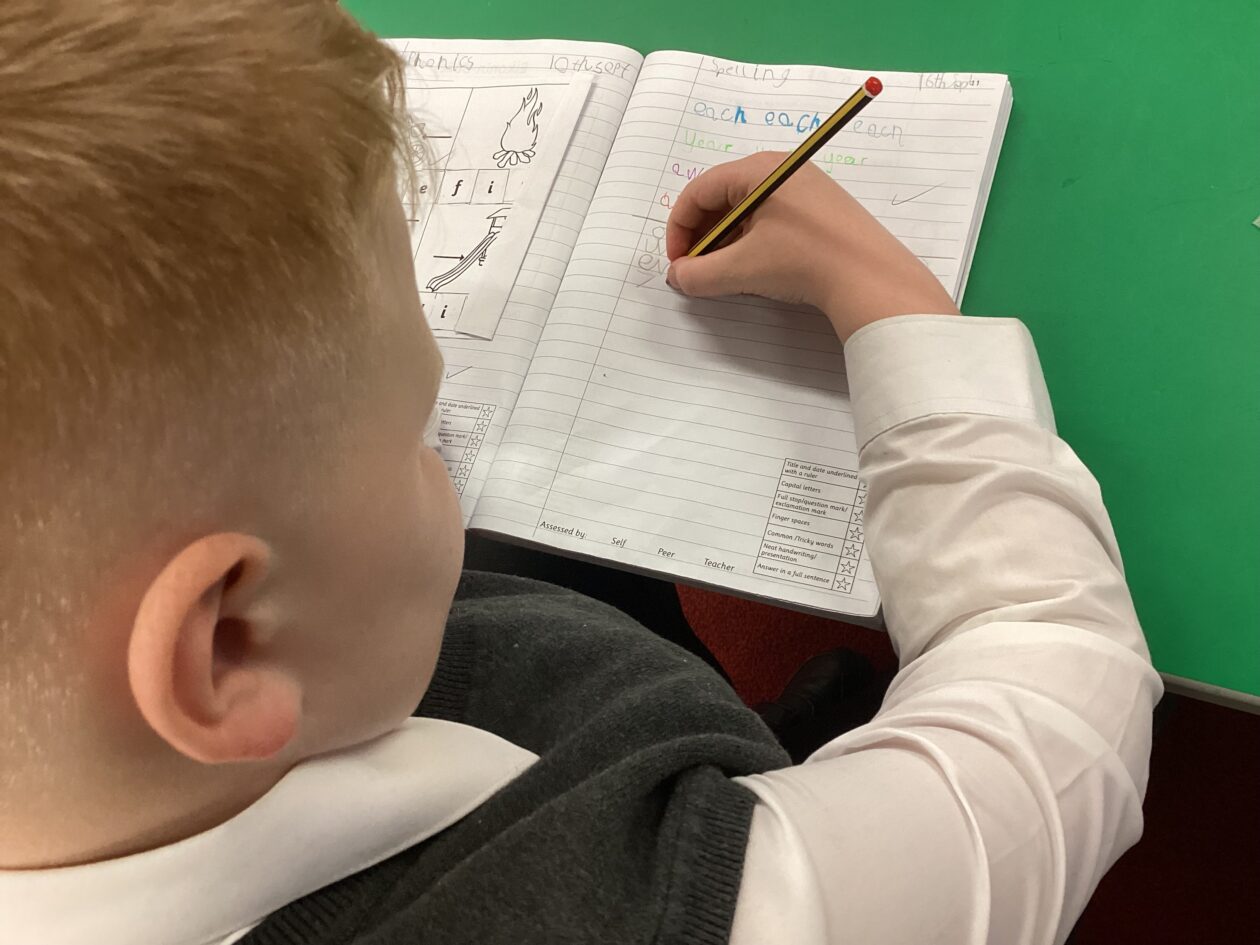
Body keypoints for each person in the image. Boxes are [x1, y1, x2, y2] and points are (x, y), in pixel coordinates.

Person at [0, 2, 1161, 943]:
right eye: (419, 431)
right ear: (232, 644)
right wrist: (887, 297)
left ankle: (751, 724)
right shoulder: (669, 914)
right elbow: (1059, 704)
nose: (437, 443)